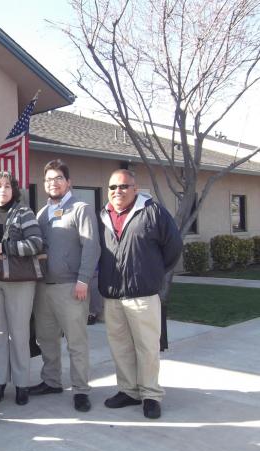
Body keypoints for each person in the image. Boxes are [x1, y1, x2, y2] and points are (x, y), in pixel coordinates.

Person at [99, 169, 182, 419]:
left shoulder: (152, 212)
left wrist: (153, 272)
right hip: (113, 297)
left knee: (147, 348)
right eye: (113, 187)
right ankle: (129, 391)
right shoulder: (103, 215)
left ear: (135, 188)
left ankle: (150, 395)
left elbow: (173, 246)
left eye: (123, 186)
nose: (117, 192)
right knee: (121, 347)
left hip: (142, 296)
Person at [29, 159, 100, 412]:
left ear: (68, 182)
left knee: (76, 342)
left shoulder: (80, 209)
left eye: (58, 178)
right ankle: (51, 381)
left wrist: (83, 280)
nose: (53, 183)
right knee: (46, 339)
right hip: (43, 288)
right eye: (49, 179)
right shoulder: (41, 213)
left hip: (71, 287)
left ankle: (81, 390)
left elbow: (92, 246)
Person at [0, 172, 43, 405]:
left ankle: (22, 385)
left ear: (13, 190)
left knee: (19, 334)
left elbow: (36, 244)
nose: (2, 190)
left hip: (20, 283)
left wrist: (5, 247)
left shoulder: (24, 213)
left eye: (7, 186)